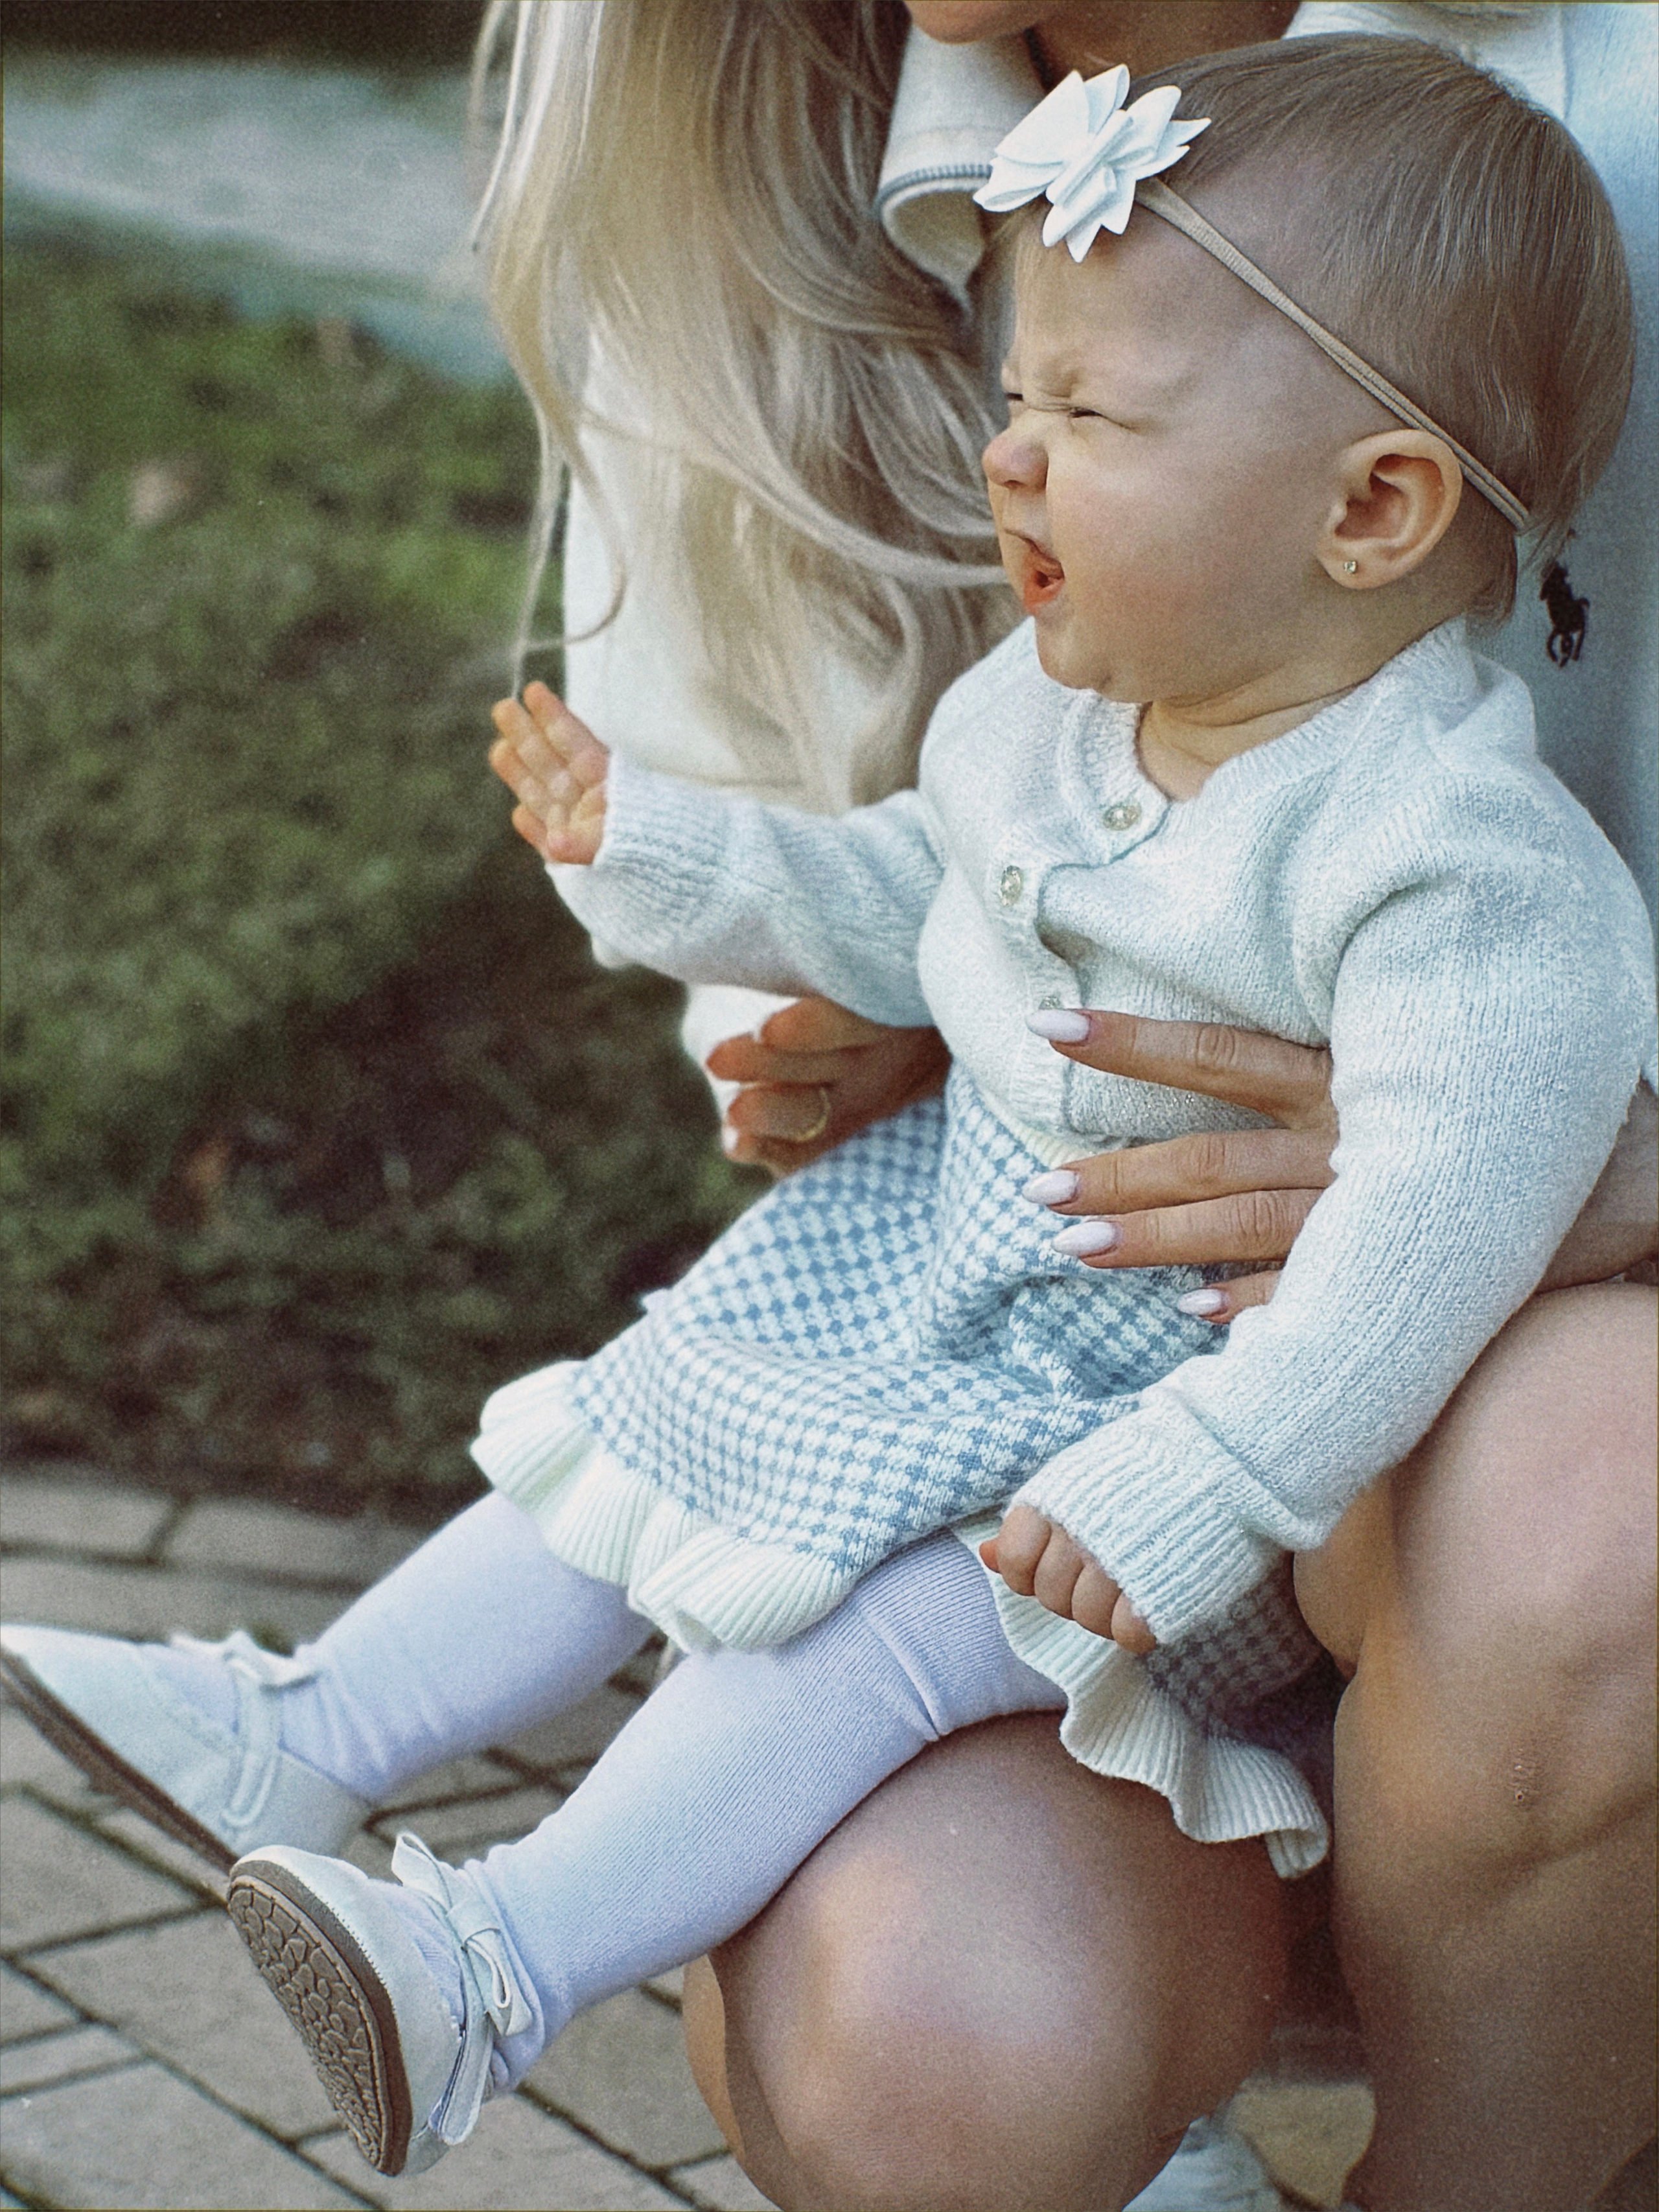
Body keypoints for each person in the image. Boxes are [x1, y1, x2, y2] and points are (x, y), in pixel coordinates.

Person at [2, 7, 1653, 2210]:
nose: (1014, 463)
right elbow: (901, 890)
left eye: (1091, 414)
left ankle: (491, 1971)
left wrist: (1202, 1479)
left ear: (1371, 509)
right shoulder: (1071, 711)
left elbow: (1433, 1229)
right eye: (1014, 398)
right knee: (629, 1424)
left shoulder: (1456, 864)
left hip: (1185, 1450)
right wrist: (661, 846)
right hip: (960, 1318)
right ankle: (303, 1733)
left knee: (855, 1642)